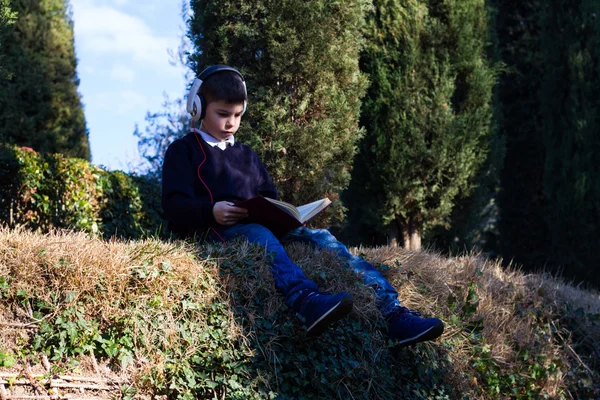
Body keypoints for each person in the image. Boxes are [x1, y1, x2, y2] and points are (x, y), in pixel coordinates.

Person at [161, 65, 444, 347]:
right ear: (198, 108)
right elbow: (173, 205)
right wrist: (211, 211)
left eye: (237, 115)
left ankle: (394, 314)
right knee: (259, 235)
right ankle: (305, 301)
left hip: (263, 227)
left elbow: (268, 195)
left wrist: (287, 217)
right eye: (222, 114)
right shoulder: (182, 151)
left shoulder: (247, 154)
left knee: (323, 238)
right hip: (217, 230)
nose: (231, 123)